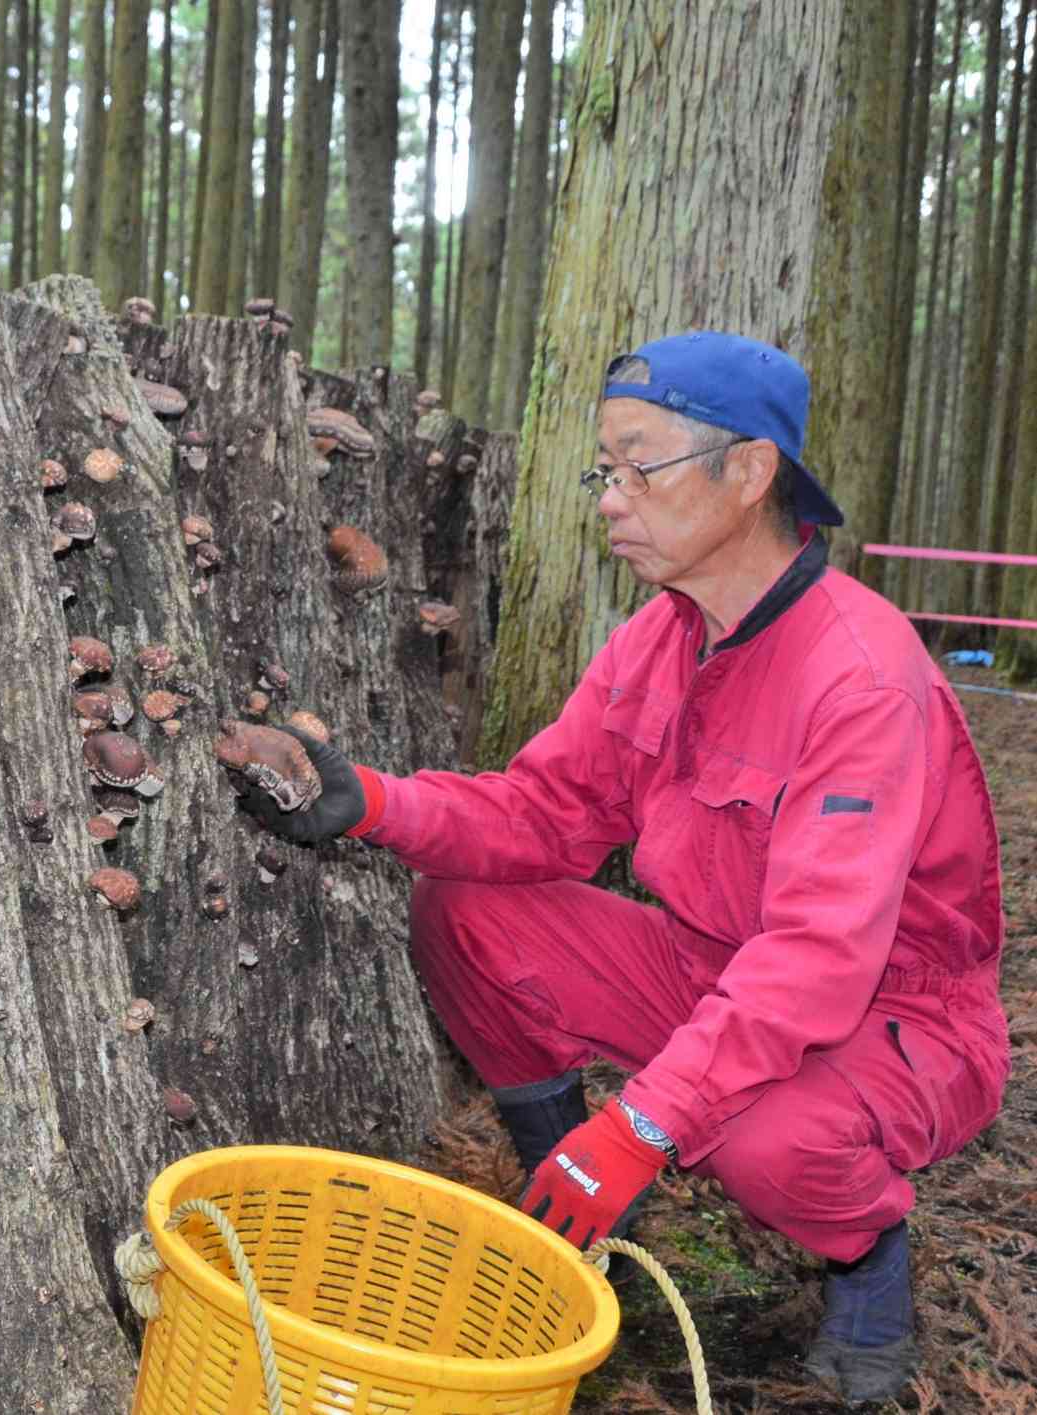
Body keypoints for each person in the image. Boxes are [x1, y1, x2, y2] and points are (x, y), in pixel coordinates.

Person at [236, 332, 1008, 1403]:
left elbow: (818, 958)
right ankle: (576, 1202)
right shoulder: (661, 637)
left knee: (769, 1136)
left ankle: (868, 1258)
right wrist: (369, 800)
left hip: (888, 1017)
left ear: (747, 473)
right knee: (466, 908)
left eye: (636, 465)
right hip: (711, 970)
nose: (608, 496)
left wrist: (642, 1123)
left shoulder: (862, 677)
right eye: (604, 468)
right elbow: (548, 814)